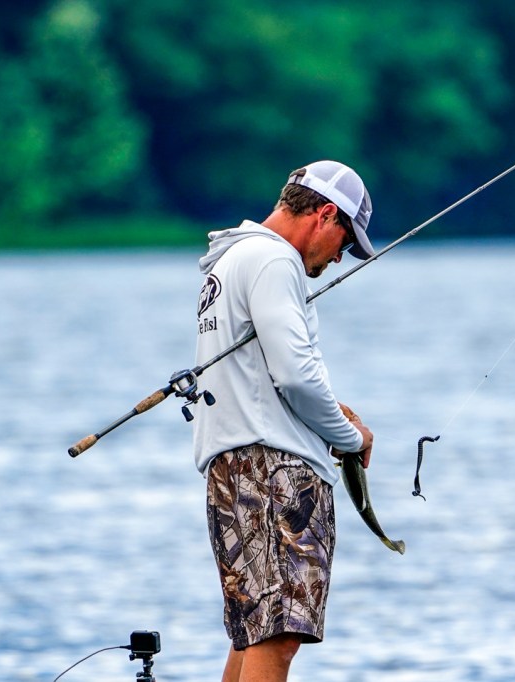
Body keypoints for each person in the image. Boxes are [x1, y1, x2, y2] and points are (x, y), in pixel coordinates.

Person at [192, 160, 376, 682]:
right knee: (278, 632)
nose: (339, 257)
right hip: (275, 471)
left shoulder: (232, 258)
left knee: (255, 630)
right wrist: (349, 436)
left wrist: (328, 412)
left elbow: (263, 376)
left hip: (231, 469)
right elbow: (295, 375)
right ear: (325, 214)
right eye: (345, 241)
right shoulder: (275, 260)